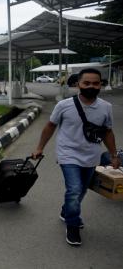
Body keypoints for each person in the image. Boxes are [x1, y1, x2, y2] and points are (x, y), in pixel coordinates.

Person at [32, 68, 120, 246]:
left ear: (100, 85)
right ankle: (72, 224)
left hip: (91, 156)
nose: (91, 86)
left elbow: (108, 132)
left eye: (95, 83)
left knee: (82, 190)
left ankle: (67, 211)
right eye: (86, 83)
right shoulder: (64, 105)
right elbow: (50, 126)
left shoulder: (105, 107)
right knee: (74, 190)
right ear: (78, 84)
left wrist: (113, 155)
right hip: (68, 154)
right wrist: (39, 147)